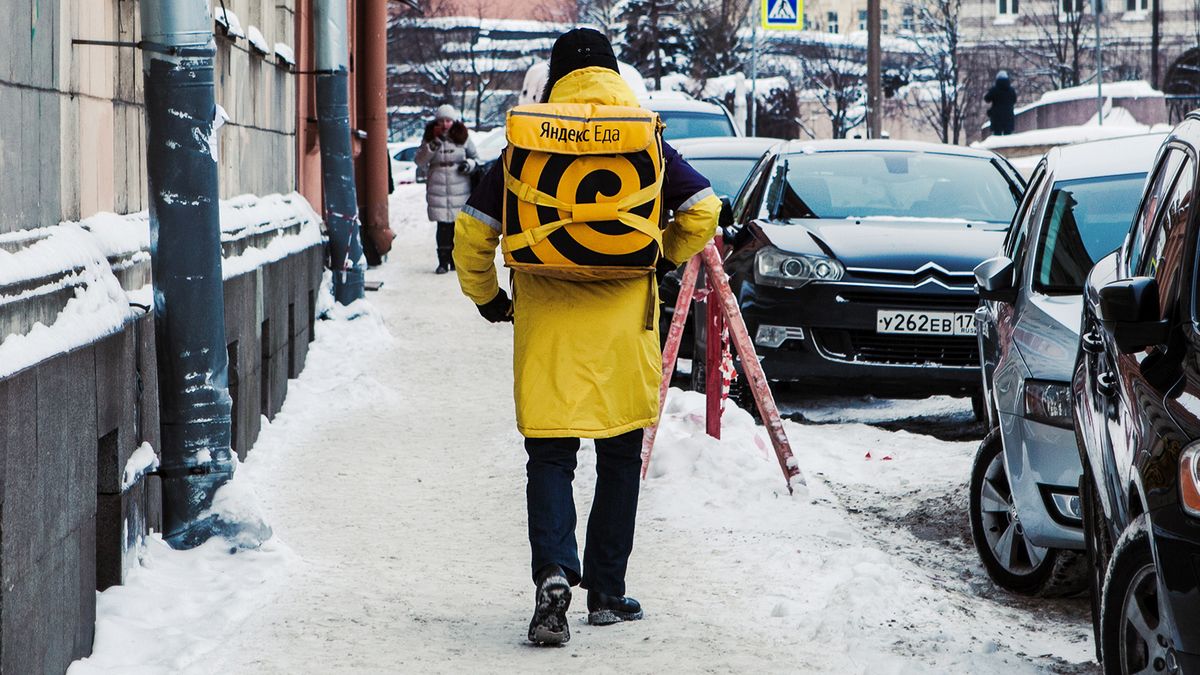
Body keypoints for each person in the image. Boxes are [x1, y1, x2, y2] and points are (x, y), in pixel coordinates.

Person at [453, 28, 721, 646]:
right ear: (612, 72)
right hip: (623, 331)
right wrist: (659, 260)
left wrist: (491, 298)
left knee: (550, 455)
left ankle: (552, 572)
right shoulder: (642, 135)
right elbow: (702, 208)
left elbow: (473, 233)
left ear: (557, 76)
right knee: (620, 458)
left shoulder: (528, 140)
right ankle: (605, 591)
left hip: (547, 330)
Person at [415, 104, 477, 274]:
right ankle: (443, 261)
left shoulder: (463, 136)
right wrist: (435, 143)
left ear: (454, 121)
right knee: (442, 227)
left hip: (460, 186)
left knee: (458, 228)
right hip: (438, 187)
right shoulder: (430, 137)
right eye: (441, 121)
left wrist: (468, 165)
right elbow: (420, 160)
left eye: (448, 120)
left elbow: (476, 158)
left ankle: (455, 260)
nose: (445, 124)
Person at [985, 71, 1017, 136]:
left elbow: (987, 99)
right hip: (1008, 116)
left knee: (997, 136)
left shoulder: (994, 90)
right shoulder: (1011, 90)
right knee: (1008, 137)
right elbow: (1014, 100)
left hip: (997, 117)